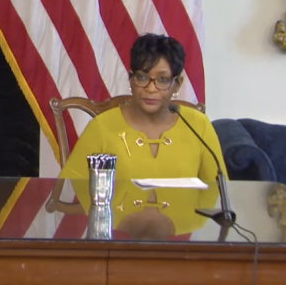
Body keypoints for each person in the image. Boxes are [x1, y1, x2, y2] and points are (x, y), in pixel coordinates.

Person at [59, 33, 226, 181]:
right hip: (118, 217)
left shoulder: (199, 125)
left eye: (162, 80)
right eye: (142, 77)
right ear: (130, 79)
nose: (150, 88)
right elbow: (70, 188)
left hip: (183, 217)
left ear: (177, 84)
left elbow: (217, 192)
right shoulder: (102, 126)